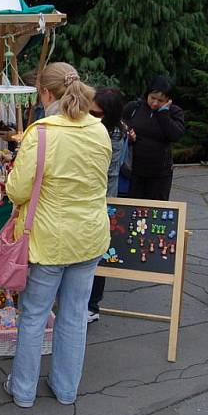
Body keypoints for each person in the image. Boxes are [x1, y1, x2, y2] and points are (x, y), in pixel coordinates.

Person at [4, 63, 111, 408]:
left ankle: (23, 390)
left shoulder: (42, 132)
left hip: (49, 239)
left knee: (34, 315)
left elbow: (17, 191)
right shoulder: (99, 130)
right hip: (90, 236)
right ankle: (66, 389)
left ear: (46, 93)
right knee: (75, 315)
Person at [87, 87, 127, 323]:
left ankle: (92, 305)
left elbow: (107, 170)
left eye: (97, 114)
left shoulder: (116, 134)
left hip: (103, 198)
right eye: (89, 112)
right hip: (90, 197)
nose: (91, 117)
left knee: (98, 253)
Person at [123, 76, 185, 200]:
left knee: (156, 211)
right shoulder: (134, 108)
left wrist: (163, 113)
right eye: (153, 98)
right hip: (134, 170)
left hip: (160, 173)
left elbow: (175, 135)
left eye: (161, 100)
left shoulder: (174, 112)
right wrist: (128, 136)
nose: (155, 103)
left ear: (169, 100)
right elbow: (121, 126)